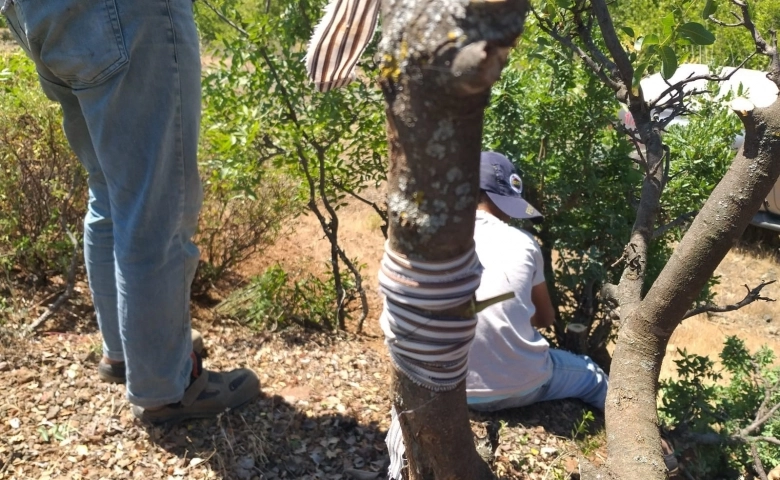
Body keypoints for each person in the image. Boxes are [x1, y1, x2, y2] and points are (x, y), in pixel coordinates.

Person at [1, 0, 259, 423]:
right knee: (155, 201)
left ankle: (127, 353)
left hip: (33, 10)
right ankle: (165, 388)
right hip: (122, 12)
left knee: (110, 188)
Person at [466, 151, 608, 412]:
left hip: (445, 386)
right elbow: (545, 318)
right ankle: (645, 440)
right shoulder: (524, 243)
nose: (510, 217)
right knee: (594, 377)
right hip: (521, 386)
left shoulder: (434, 238)